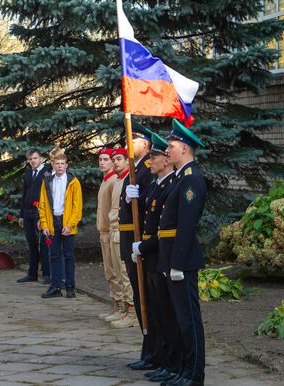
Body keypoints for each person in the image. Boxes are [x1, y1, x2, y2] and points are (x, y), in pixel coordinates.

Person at [156, 119, 207, 386]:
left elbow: (186, 226)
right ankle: (184, 370)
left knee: (188, 320)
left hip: (183, 260)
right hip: (174, 257)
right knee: (179, 319)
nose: (168, 150)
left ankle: (194, 375)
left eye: (172, 146)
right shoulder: (180, 177)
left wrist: (176, 263)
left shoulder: (191, 179)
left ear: (185, 148)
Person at [130, 133, 179, 383]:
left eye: (155, 156)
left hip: (159, 253)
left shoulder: (171, 184)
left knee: (164, 312)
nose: (151, 160)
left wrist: (144, 246)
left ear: (166, 161)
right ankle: (160, 357)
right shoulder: (159, 183)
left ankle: (168, 360)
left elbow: (166, 226)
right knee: (156, 309)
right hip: (150, 252)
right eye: (150, 156)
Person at [118, 124, 160, 370]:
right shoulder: (135, 169)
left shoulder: (146, 170)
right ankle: (149, 349)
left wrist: (137, 199)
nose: (127, 143)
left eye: (131, 140)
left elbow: (150, 208)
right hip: (129, 241)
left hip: (140, 242)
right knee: (139, 294)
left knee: (146, 297)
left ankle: (154, 351)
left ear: (144, 144)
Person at [39, 147, 82, 299]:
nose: (59, 166)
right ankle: (55, 286)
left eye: (62, 163)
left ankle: (70, 286)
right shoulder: (47, 181)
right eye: (57, 163)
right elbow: (43, 204)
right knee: (54, 255)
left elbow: (77, 207)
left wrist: (69, 225)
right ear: (53, 164)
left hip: (66, 223)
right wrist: (44, 224)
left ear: (66, 165)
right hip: (53, 222)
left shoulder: (73, 182)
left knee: (69, 255)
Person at [104, 148, 135, 325]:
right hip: (114, 228)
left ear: (125, 161)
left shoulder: (128, 179)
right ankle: (123, 307)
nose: (115, 162)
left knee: (124, 273)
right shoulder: (117, 180)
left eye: (118, 159)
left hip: (122, 230)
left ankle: (131, 311)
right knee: (117, 271)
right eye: (113, 159)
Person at [17, 148, 52, 283]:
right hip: (28, 213)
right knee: (31, 243)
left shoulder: (47, 172)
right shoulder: (28, 173)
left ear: (41, 158)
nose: (33, 161)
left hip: (40, 213)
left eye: (35, 158)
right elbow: (24, 194)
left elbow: (49, 194)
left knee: (44, 243)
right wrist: (21, 215)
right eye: (30, 159)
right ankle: (32, 273)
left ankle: (47, 274)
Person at [96, 148, 121, 320]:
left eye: (106, 159)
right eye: (100, 159)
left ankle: (121, 306)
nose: (102, 162)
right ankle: (115, 304)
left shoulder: (113, 180)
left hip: (111, 230)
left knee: (115, 270)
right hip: (103, 230)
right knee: (108, 271)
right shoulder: (105, 180)